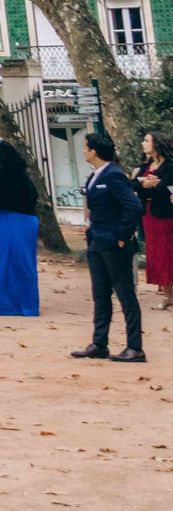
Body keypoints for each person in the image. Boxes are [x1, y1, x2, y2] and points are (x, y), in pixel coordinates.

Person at [74, 130, 145, 362]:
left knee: (125, 293)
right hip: (96, 241)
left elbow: (134, 206)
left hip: (114, 243)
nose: (83, 151)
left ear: (93, 151)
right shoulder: (95, 175)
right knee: (100, 293)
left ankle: (135, 347)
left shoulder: (114, 174)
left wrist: (122, 236)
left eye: (85, 147)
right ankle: (99, 343)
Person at [136, 130, 173, 313]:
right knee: (155, 253)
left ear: (156, 144)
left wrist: (146, 186)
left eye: (146, 140)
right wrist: (144, 184)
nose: (143, 144)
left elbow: (164, 189)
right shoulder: (145, 165)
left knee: (167, 252)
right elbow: (133, 185)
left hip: (165, 214)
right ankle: (167, 295)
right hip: (148, 214)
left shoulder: (169, 166)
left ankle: (168, 294)